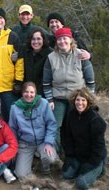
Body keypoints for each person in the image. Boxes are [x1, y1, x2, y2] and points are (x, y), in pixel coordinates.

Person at [43, 27, 95, 155]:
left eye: (65, 38)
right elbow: (46, 82)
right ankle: (56, 154)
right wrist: (50, 99)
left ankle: (75, 154)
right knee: (55, 126)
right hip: (58, 97)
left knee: (75, 126)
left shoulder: (81, 55)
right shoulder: (51, 58)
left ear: (70, 40)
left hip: (77, 97)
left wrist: (89, 99)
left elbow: (90, 80)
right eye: (59, 39)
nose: (62, 42)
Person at [9, 82, 57, 178]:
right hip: (25, 144)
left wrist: (48, 142)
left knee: (50, 158)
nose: (29, 95)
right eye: (26, 92)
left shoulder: (44, 103)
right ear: (22, 93)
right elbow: (12, 130)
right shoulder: (14, 108)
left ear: (35, 93)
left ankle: (45, 169)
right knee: (21, 175)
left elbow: (51, 124)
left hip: (42, 141)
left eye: (32, 92)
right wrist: (13, 147)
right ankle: (29, 165)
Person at [63, 87, 107, 189]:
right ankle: (82, 168)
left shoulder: (95, 120)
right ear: (74, 101)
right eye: (77, 100)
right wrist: (70, 156)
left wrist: (90, 164)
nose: (80, 103)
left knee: (81, 183)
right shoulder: (72, 115)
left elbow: (99, 147)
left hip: (94, 158)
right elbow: (68, 138)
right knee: (66, 175)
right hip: (78, 156)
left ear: (89, 102)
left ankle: (100, 168)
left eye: (83, 100)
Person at [17, 29, 52, 96]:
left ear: (43, 40)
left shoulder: (49, 53)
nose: (36, 42)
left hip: (42, 91)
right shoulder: (24, 49)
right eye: (33, 39)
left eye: (39, 39)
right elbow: (19, 67)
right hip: (25, 90)